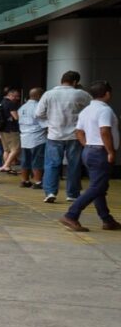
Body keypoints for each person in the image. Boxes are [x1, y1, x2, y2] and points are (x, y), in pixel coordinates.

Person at [59, 80, 120, 232]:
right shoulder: (105, 110)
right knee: (97, 187)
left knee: (99, 186)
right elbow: (104, 131)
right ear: (107, 94)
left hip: (89, 150)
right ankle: (71, 215)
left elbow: (78, 131)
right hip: (100, 151)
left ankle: (107, 219)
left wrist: (87, 144)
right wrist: (111, 151)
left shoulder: (86, 110)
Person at [37, 70, 92, 203]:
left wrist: (48, 124)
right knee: (74, 165)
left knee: (51, 164)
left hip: (54, 135)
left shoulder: (48, 94)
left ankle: (50, 192)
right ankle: (72, 194)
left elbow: (39, 113)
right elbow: (92, 109)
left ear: (61, 80)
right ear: (75, 82)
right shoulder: (81, 94)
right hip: (75, 136)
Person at [18, 87, 47, 188]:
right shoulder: (38, 107)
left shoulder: (22, 108)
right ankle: (38, 182)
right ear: (39, 96)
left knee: (25, 160)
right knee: (37, 160)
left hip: (24, 138)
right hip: (37, 138)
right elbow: (44, 123)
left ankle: (24, 181)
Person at [0, 88, 22, 174]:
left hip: (3, 129)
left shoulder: (1, 102)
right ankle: (6, 165)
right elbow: (16, 117)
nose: (17, 98)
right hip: (12, 129)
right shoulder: (11, 104)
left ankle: (8, 168)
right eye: (15, 96)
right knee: (16, 149)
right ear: (10, 95)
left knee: (6, 150)